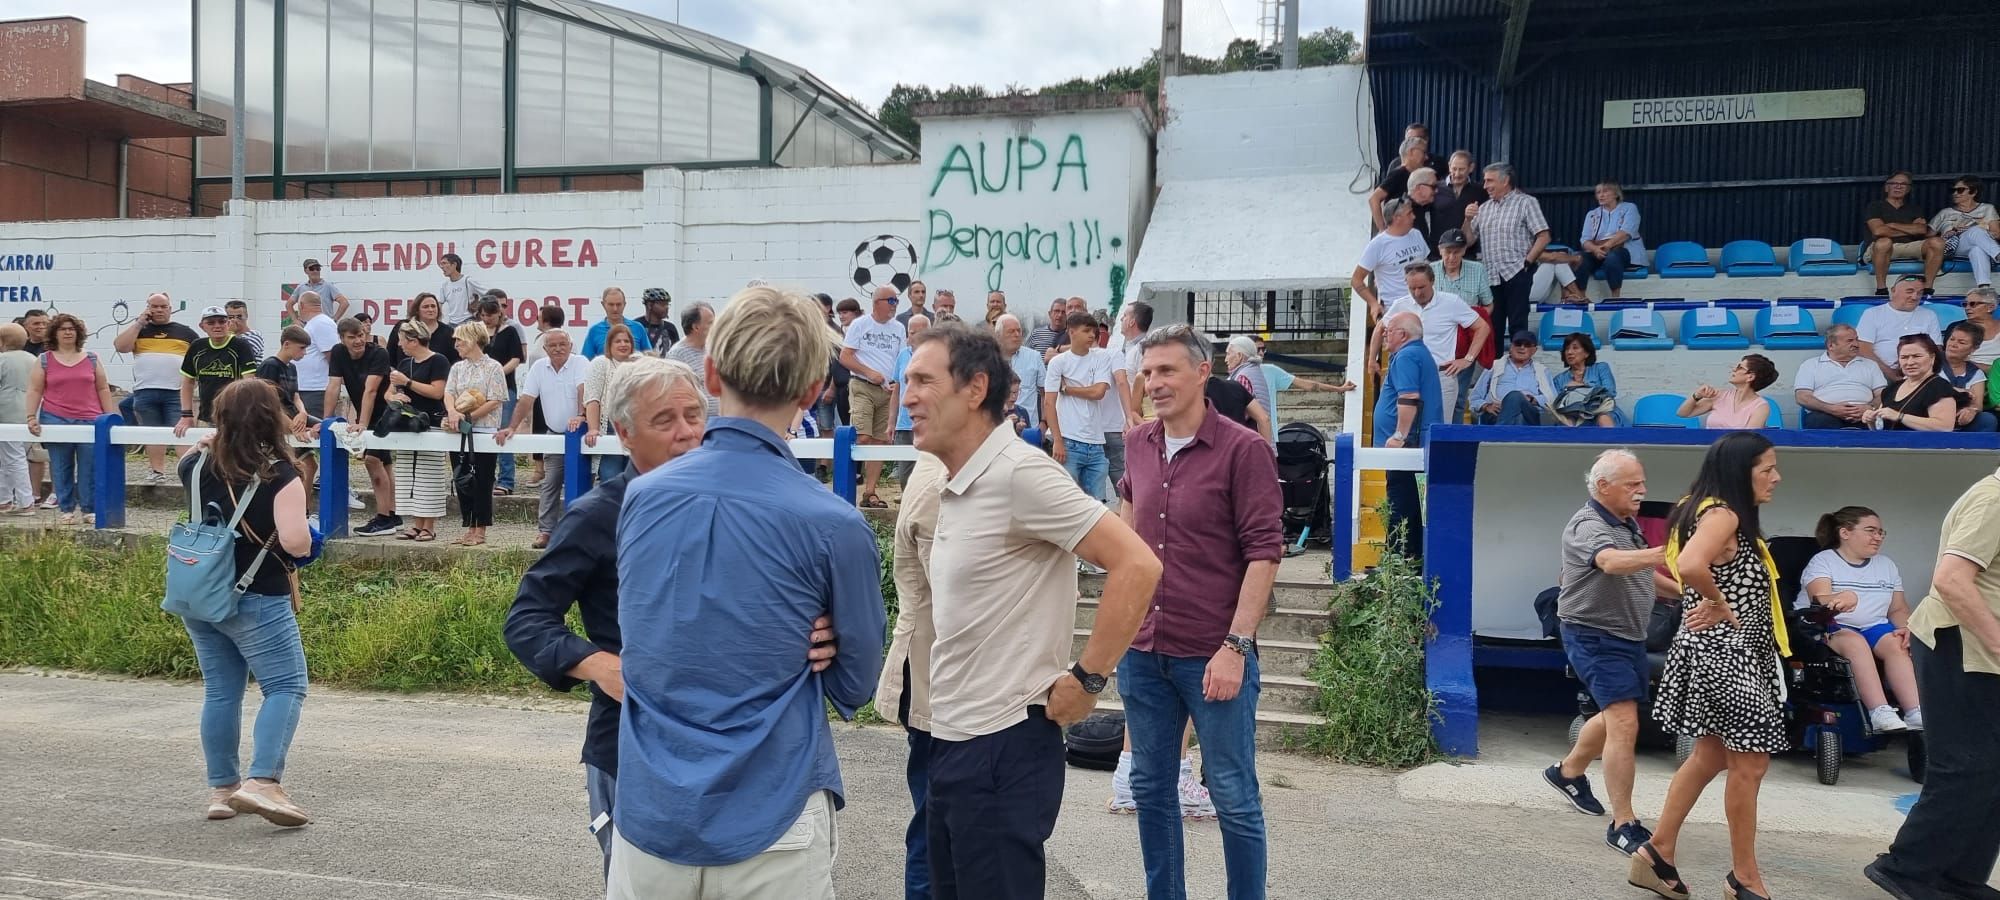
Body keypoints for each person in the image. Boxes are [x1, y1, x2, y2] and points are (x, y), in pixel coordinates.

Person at [508, 356, 842, 874]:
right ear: (623, 434)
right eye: (664, 421)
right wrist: (598, 665)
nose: (687, 433)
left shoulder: (745, 500)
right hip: (630, 745)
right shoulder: (599, 514)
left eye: (694, 415)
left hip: (745, 746)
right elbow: (527, 618)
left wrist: (822, 629)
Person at [607, 287, 886, 899]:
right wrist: (822, 645)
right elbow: (856, 684)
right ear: (814, 390)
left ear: (709, 372)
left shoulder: (643, 497)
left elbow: (651, 629)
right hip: (774, 804)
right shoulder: (834, 523)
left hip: (653, 803)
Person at [898, 321, 1161, 900]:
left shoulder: (1021, 473)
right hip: (952, 735)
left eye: (923, 380)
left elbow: (1137, 565)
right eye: (906, 379)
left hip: (1003, 744)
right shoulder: (956, 478)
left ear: (974, 389)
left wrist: (1088, 679)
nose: (907, 395)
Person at [1117, 323, 1283, 899]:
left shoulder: (1245, 450)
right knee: (1152, 791)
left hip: (1214, 652)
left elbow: (1265, 555)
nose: (1153, 383)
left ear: (1201, 373)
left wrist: (1236, 647)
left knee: (1233, 794)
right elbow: (1126, 533)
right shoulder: (1138, 444)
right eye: (1146, 372)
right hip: (1143, 652)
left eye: (1166, 370)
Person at [1632, 431, 1785, 900]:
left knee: (1711, 756)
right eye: (1767, 468)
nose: (1776, 477)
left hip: (1717, 650)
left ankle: (1657, 853)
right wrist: (1719, 602)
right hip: (1727, 653)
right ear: (1741, 471)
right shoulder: (1723, 514)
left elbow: (1692, 564)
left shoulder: (1697, 507)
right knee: (1749, 766)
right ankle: (1744, 878)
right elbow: (1696, 564)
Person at [173, 378, 317, 827]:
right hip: (256, 593)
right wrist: (313, 531)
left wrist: (210, 440)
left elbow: (204, 456)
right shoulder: (282, 474)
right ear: (271, 417)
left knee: (221, 691)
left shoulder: (193, 464)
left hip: (199, 591)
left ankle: (222, 789)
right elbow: (295, 542)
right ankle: (264, 783)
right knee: (286, 685)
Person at [1866, 469, 2000, 900]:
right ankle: (1907, 868)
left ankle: (1959, 876)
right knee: (1965, 764)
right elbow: (1951, 579)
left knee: (1991, 770)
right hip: (1962, 646)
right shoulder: (1994, 500)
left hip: (1981, 653)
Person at [1545, 450, 1677, 856]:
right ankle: (1624, 824)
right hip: (1595, 635)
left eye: (1642, 482)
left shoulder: (1626, 522)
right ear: (1603, 487)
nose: (1643, 490)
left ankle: (1567, 773)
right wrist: (1668, 552)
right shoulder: (1588, 525)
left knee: (1618, 714)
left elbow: (1644, 576)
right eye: (1633, 484)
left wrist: (1695, 596)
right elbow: (1612, 563)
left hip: (1627, 636)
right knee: (1624, 722)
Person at [876, 449, 946, 900]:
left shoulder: (935, 464)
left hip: (930, 670)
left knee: (931, 823)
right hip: (935, 674)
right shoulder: (944, 473)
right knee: (936, 829)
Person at [1800, 506, 1921, 734]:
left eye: (1880, 532)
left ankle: (1915, 712)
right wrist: (1843, 597)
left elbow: (1898, 609)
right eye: (1870, 531)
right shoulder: (1824, 560)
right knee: (1855, 642)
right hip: (1830, 626)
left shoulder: (1886, 565)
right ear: (1845, 533)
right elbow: (1819, 598)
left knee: (1897, 643)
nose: (1877, 537)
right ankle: (1879, 711)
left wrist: (1908, 628)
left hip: (1873, 625)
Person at [498, 330, 586, 549]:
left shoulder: (580, 362)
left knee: (581, 484)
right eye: (553, 345)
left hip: (580, 435)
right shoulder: (539, 368)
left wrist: (581, 415)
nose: (558, 348)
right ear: (545, 349)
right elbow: (527, 399)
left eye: (562, 344)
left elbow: (584, 390)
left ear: (570, 345)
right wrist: (512, 427)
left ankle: (577, 533)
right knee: (550, 483)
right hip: (554, 434)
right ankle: (546, 531)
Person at [24, 314, 112, 525]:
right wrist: (30, 417)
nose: (68, 332)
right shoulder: (44, 359)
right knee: (61, 466)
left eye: (71, 328)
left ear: (78, 332)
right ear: (54, 333)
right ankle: (66, 509)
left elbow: (102, 387)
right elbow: (35, 389)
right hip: (55, 418)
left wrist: (110, 418)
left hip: (90, 419)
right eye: (63, 329)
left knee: (89, 467)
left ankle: (89, 509)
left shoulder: (91, 358)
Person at [1371, 264, 1487, 420]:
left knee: (1438, 430)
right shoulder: (1401, 304)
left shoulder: (1451, 302)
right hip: (1408, 375)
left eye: (1421, 287)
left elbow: (1482, 327)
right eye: (1412, 288)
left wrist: (1468, 359)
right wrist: (1371, 360)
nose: (1417, 293)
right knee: (1404, 428)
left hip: (1442, 375)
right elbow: (1379, 328)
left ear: (1432, 281)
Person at [324, 317, 402, 536]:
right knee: (384, 464)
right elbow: (333, 386)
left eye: (361, 335)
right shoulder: (338, 352)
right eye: (352, 337)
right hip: (365, 414)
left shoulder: (379, 353)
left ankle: (384, 518)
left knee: (372, 460)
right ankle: (392, 515)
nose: (358, 341)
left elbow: (371, 390)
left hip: (385, 415)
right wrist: (326, 421)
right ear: (342, 338)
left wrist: (362, 424)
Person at [1465, 162, 1551, 354]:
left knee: (1518, 323)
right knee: (1493, 325)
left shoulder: (1526, 202)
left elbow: (1544, 236)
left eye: (1490, 180)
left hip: (1517, 272)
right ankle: (1495, 371)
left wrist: (1527, 262)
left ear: (1505, 181)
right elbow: (1469, 241)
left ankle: (1519, 368)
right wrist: (1468, 219)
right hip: (1491, 276)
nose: (1485, 185)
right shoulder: (1484, 208)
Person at [1375, 312, 1441, 559]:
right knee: (1413, 503)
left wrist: (1399, 435)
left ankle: (1396, 559)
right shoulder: (1417, 354)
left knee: (1400, 503)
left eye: (1389, 330)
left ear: (1402, 334)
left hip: (1407, 446)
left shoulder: (1407, 355)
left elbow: (1409, 397)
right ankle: (1411, 558)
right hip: (1417, 443)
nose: (1385, 334)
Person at [113, 292, 197, 483]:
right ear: (147, 308)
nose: (158, 310)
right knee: (152, 432)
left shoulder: (185, 332)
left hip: (176, 392)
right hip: (145, 391)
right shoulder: (139, 330)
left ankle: (188, 472)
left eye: (163, 306)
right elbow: (121, 346)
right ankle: (157, 471)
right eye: (154, 306)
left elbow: (198, 356)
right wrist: (139, 323)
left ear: (170, 308)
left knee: (181, 433)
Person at [841, 286, 908, 509]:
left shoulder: (899, 328)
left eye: (896, 301)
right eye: (890, 300)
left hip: (887, 391)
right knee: (862, 437)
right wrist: (869, 372)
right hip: (863, 386)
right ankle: (848, 485)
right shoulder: (860, 325)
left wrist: (897, 383)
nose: (894, 305)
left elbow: (901, 358)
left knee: (880, 442)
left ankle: (870, 492)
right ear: (876, 302)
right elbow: (845, 356)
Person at [442, 321, 506, 547]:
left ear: (473, 340)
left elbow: (496, 399)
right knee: (463, 478)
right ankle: (468, 526)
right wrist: (452, 413)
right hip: (459, 430)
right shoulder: (457, 368)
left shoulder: (494, 367)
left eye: (460, 339)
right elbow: (449, 393)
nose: (456, 344)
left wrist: (470, 416)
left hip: (483, 430)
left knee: (483, 480)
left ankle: (481, 529)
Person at [386, 321, 450, 543]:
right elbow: (389, 393)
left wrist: (408, 383)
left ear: (413, 340)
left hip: (430, 423)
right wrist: (395, 396)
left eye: (402, 339)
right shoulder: (404, 363)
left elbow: (437, 392)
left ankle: (429, 525)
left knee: (428, 475)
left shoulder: (438, 360)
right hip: (407, 424)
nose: (400, 344)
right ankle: (416, 523)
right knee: (407, 475)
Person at [1045, 311, 1114, 498]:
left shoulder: (1102, 357)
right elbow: (1049, 403)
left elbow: (1098, 392)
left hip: (1096, 443)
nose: (1092, 335)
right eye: (1086, 331)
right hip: (1068, 442)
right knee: (1067, 504)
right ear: (1072, 332)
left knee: (1097, 506)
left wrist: (1067, 389)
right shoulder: (1058, 363)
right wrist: (1058, 441)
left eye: (1093, 331)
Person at [175, 306, 259, 434]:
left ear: (228, 323)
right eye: (211, 323)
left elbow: (249, 382)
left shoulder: (241, 346)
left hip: (235, 417)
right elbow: (188, 382)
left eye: (222, 321)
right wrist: (186, 415)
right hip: (206, 416)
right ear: (202, 326)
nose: (217, 326)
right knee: (204, 452)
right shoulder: (197, 347)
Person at [289, 292, 339, 493]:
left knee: (320, 441)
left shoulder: (321, 323)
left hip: (316, 391)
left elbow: (333, 357)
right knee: (301, 447)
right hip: (306, 391)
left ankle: (335, 487)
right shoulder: (316, 324)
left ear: (301, 305)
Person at [474, 299, 526, 495]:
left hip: (504, 387)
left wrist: (497, 373)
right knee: (483, 431)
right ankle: (486, 477)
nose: (487, 319)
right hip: (481, 390)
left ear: (499, 314)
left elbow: (516, 358)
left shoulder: (509, 331)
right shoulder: (477, 332)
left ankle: (506, 479)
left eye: (491, 315)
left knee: (503, 430)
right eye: (484, 315)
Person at [1866, 171, 1946, 295]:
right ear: (1887, 187)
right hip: (1882, 247)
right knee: (1884, 241)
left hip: (1909, 246)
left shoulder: (1914, 208)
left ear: (1908, 189)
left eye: (1903, 184)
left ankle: (1927, 289)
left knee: (1937, 242)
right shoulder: (1875, 206)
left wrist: (1892, 225)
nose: (1898, 186)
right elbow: (1878, 231)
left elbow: (1922, 230)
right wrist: (1910, 230)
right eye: (1894, 183)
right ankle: (1881, 289)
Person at [1793, 324, 1887, 430]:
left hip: (1865, 414)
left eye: (1856, 339)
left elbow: (1883, 394)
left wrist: (1870, 407)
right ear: (1831, 345)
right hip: (1825, 414)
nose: (1856, 344)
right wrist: (1830, 409)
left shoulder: (1870, 365)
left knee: (1881, 421)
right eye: (1849, 341)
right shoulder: (1810, 365)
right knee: (1819, 421)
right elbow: (1802, 397)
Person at [1352, 197, 1432, 320]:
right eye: (1409, 213)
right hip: (1396, 310)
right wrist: (1373, 303)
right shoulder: (1378, 244)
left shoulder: (1416, 234)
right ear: (1397, 218)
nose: (1414, 217)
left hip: (1425, 305)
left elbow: (1428, 267)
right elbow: (1356, 279)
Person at [1862, 334, 1960, 432]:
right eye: (1904, 357)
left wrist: (1900, 416)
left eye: (1916, 356)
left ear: (1932, 358)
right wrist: (1872, 421)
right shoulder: (1891, 389)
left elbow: (1944, 427)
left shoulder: (1939, 387)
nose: (1910, 362)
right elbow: (1882, 429)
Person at [1248, 333, 1347, 428]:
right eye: (1258, 349)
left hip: (1268, 433)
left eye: (1263, 349)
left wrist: (1339, 389)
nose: (1261, 353)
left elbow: (1309, 385)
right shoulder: (1238, 374)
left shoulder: (1271, 371)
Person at [584, 324, 642, 484]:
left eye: (626, 341)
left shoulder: (640, 364)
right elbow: (592, 399)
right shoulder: (600, 363)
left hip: (636, 431)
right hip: (609, 429)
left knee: (635, 482)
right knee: (612, 481)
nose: (623, 345)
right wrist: (593, 429)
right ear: (609, 344)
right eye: (618, 341)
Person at [1858, 276, 1945, 382]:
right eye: (1909, 291)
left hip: (1919, 375)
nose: (1915, 297)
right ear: (1893, 290)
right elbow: (1863, 349)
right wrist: (1891, 374)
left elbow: (1936, 349)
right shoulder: (1872, 314)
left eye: (1919, 292)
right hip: (1880, 373)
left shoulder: (1929, 315)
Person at [1576, 182, 1646, 299]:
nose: (1601, 195)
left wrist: (1606, 247)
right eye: (1598, 192)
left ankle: (1615, 298)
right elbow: (1585, 239)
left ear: (1616, 194)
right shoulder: (1592, 214)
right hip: (1598, 251)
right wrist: (1595, 249)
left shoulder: (1629, 208)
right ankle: (1581, 298)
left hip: (1623, 250)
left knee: (1612, 258)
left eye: (1605, 191)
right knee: (1579, 259)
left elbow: (1626, 233)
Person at [1470, 331, 1557, 425]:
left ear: (1534, 350)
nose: (1522, 347)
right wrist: (1486, 406)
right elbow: (1475, 397)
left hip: (1529, 414)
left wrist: (1532, 399)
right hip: (1496, 413)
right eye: (1518, 343)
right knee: (1518, 418)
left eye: (1527, 345)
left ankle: (1498, 434)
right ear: (1511, 347)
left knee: (1515, 396)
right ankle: (1501, 433)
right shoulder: (1494, 366)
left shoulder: (1542, 371)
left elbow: (1553, 399)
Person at [1677, 355, 1779, 430]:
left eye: (1740, 367)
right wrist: (1697, 395)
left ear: (1750, 377)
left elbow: (1748, 439)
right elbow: (1683, 413)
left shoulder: (1761, 407)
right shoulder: (1719, 396)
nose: (1734, 369)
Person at [1934, 175, 2000, 289]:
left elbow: (1996, 233)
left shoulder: (1987, 209)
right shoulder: (1945, 213)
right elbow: (1927, 234)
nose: (1955, 193)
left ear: (1973, 192)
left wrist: (1981, 232)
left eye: (1960, 190)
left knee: (1977, 248)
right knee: (1975, 231)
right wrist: (1947, 234)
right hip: (1954, 247)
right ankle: (1998, 255)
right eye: (1953, 190)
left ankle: (1984, 287)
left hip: (1982, 245)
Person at [1551, 332, 1622, 427]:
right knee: (1566, 422)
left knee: (1603, 418)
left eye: (1575, 348)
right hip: (1573, 414)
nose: (1569, 352)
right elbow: (1557, 403)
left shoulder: (1601, 368)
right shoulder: (1559, 379)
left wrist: (1583, 387)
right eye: (1567, 349)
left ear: (1586, 353)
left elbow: (1610, 391)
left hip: (1600, 410)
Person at [1942, 320, 1999, 432]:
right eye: (1952, 339)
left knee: (1987, 420)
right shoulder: (1930, 362)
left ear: (1973, 348)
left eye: (1961, 342)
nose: (1953, 344)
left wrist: (1971, 410)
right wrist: (1953, 390)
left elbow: (1977, 405)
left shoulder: (1976, 373)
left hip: (1957, 419)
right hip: (1927, 414)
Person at [664, 300, 718, 417]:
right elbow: (674, 393)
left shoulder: (713, 349)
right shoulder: (677, 355)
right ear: (696, 327)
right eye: (710, 323)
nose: (716, 326)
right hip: (697, 425)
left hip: (718, 423)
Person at [0, 324, 33, 512]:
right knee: (9, 458)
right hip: (29, 413)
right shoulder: (33, 359)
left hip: (6, 414)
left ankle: (26, 502)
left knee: (13, 459)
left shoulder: (2, 360)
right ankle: (4, 499)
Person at [1368, 136, 1431, 230]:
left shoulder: (1417, 175)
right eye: (1423, 152)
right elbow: (1374, 199)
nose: (1426, 157)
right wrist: (1383, 229)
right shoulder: (1398, 174)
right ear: (1411, 152)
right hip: (1401, 234)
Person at [995, 314, 1045, 430]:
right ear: (998, 335)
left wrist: (1044, 422)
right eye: (1011, 332)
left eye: (1019, 331)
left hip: (1029, 428)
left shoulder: (1034, 357)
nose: (1016, 335)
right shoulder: (988, 358)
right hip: (997, 428)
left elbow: (1045, 393)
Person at [388, 292, 458, 366]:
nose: (430, 309)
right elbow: (390, 356)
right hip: (402, 374)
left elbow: (455, 361)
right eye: (426, 307)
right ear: (417, 310)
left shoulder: (449, 332)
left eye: (433, 306)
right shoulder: (403, 327)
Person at [1432, 229, 1492, 307]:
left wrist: (1477, 319)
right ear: (1440, 250)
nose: (1452, 257)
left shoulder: (1477, 269)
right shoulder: (1430, 270)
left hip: (1469, 318)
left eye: (1456, 252)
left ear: (1464, 250)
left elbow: (1488, 305)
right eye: (1448, 252)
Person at [287, 259, 349, 323]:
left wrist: (334, 319)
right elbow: (288, 304)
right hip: (306, 327)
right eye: (312, 269)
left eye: (318, 268)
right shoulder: (301, 287)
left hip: (323, 325)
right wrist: (295, 320)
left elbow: (344, 302)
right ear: (305, 271)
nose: (315, 271)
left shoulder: (327, 286)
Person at [438, 252, 484, 325]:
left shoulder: (468, 280)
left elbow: (488, 294)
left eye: (444, 263)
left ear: (454, 265)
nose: (441, 266)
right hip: (452, 324)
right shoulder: (444, 285)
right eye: (441, 264)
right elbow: (439, 305)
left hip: (468, 321)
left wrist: (479, 306)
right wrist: (439, 323)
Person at [633, 287, 680, 352]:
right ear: (650, 305)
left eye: (667, 304)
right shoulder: (636, 325)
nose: (666, 307)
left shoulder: (671, 328)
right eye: (663, 304)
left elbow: (676, 352)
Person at [1965, 285, 2000, 367]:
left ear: (1990, 307)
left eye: (1972, 304)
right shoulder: (1956, 328)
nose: (1967, 308)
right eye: (1965, 304)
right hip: (1970, 375)